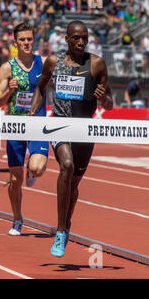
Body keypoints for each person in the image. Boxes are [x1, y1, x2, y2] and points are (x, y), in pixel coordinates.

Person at [30, 20, 113, 257]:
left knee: (74, 184)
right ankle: (60, 229)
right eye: (76, 38)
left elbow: (109, 103)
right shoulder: (54, 62)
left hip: (84, 131)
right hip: (58, 124)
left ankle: (66, 224)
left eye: (84, 38)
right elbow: (40, 88)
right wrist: (33, 114)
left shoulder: (96, 64)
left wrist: (103, 99)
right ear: (66, 39)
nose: (81, 42)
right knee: (65, 166)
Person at [0, 22, 48, 236]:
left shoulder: (43, 64)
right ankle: (17, 219)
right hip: (14, 125)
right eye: (22, 40)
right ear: (15, 42)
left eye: (30, 39)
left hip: (37, 122)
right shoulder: (7, 68)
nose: (26, 43)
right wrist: (9, 91)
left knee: (36, 167)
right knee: (15, 180)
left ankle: (33, 165)